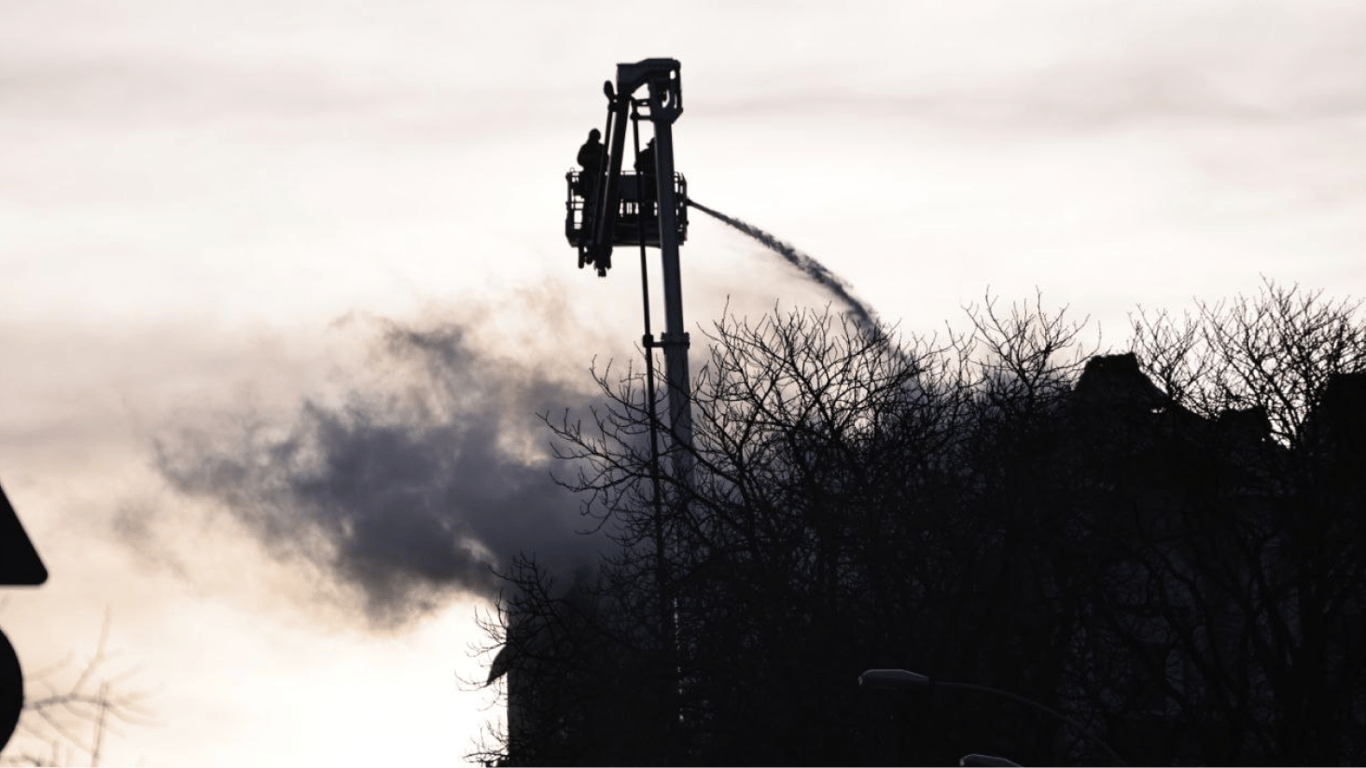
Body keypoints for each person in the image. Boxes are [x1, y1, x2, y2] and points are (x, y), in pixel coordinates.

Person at [576, 129, 603, 200]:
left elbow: (607, 159)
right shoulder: (585, 147)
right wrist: (590, 158)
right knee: (588, 190)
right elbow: (579, 159)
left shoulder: (601, 148)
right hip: (587, 174)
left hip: (599, 173)